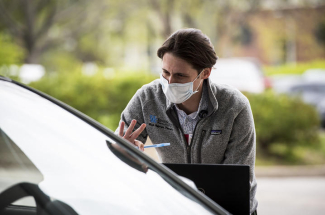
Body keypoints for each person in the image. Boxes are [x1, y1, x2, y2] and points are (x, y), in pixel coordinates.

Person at [116, 28, 257, 214]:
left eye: (180, 76)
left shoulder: (234, 107)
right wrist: (123, 151)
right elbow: (118, 147)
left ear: (205, 73)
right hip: (175, 206)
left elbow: (236, 180)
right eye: (165, 72)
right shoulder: (147, 98)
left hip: (226, 208)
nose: (170, 81)